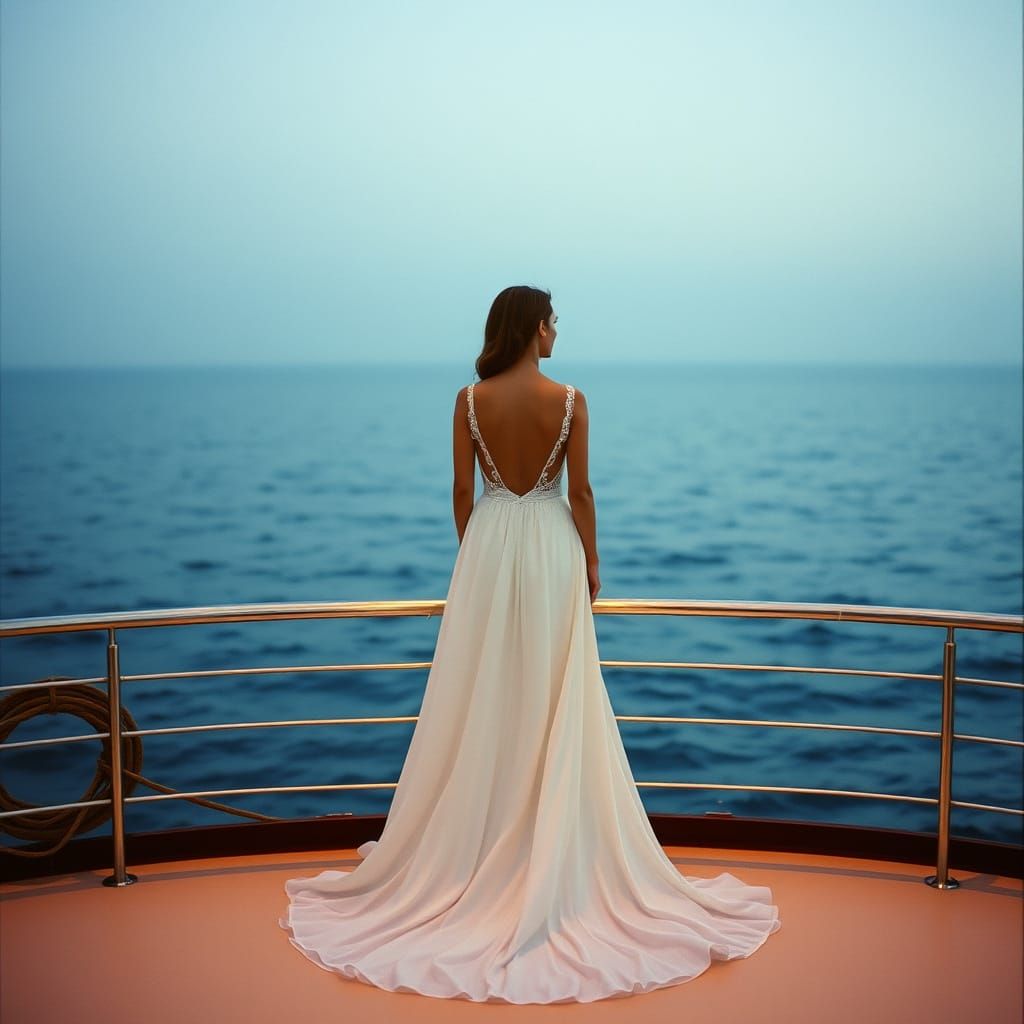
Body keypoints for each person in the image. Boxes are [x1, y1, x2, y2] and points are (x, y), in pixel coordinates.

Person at [280, 285, 781, 1003]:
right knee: (554, 692)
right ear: (533, 328)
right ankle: (546, 847)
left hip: (487, 547)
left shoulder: (467, 400)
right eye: (552, 323)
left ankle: (479, 845)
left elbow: (461, 489)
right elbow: (581, 494)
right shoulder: (570, 400)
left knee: (484, 694)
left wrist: (477, 552)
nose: (556, 336)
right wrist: (595, 562)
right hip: (550, 549)